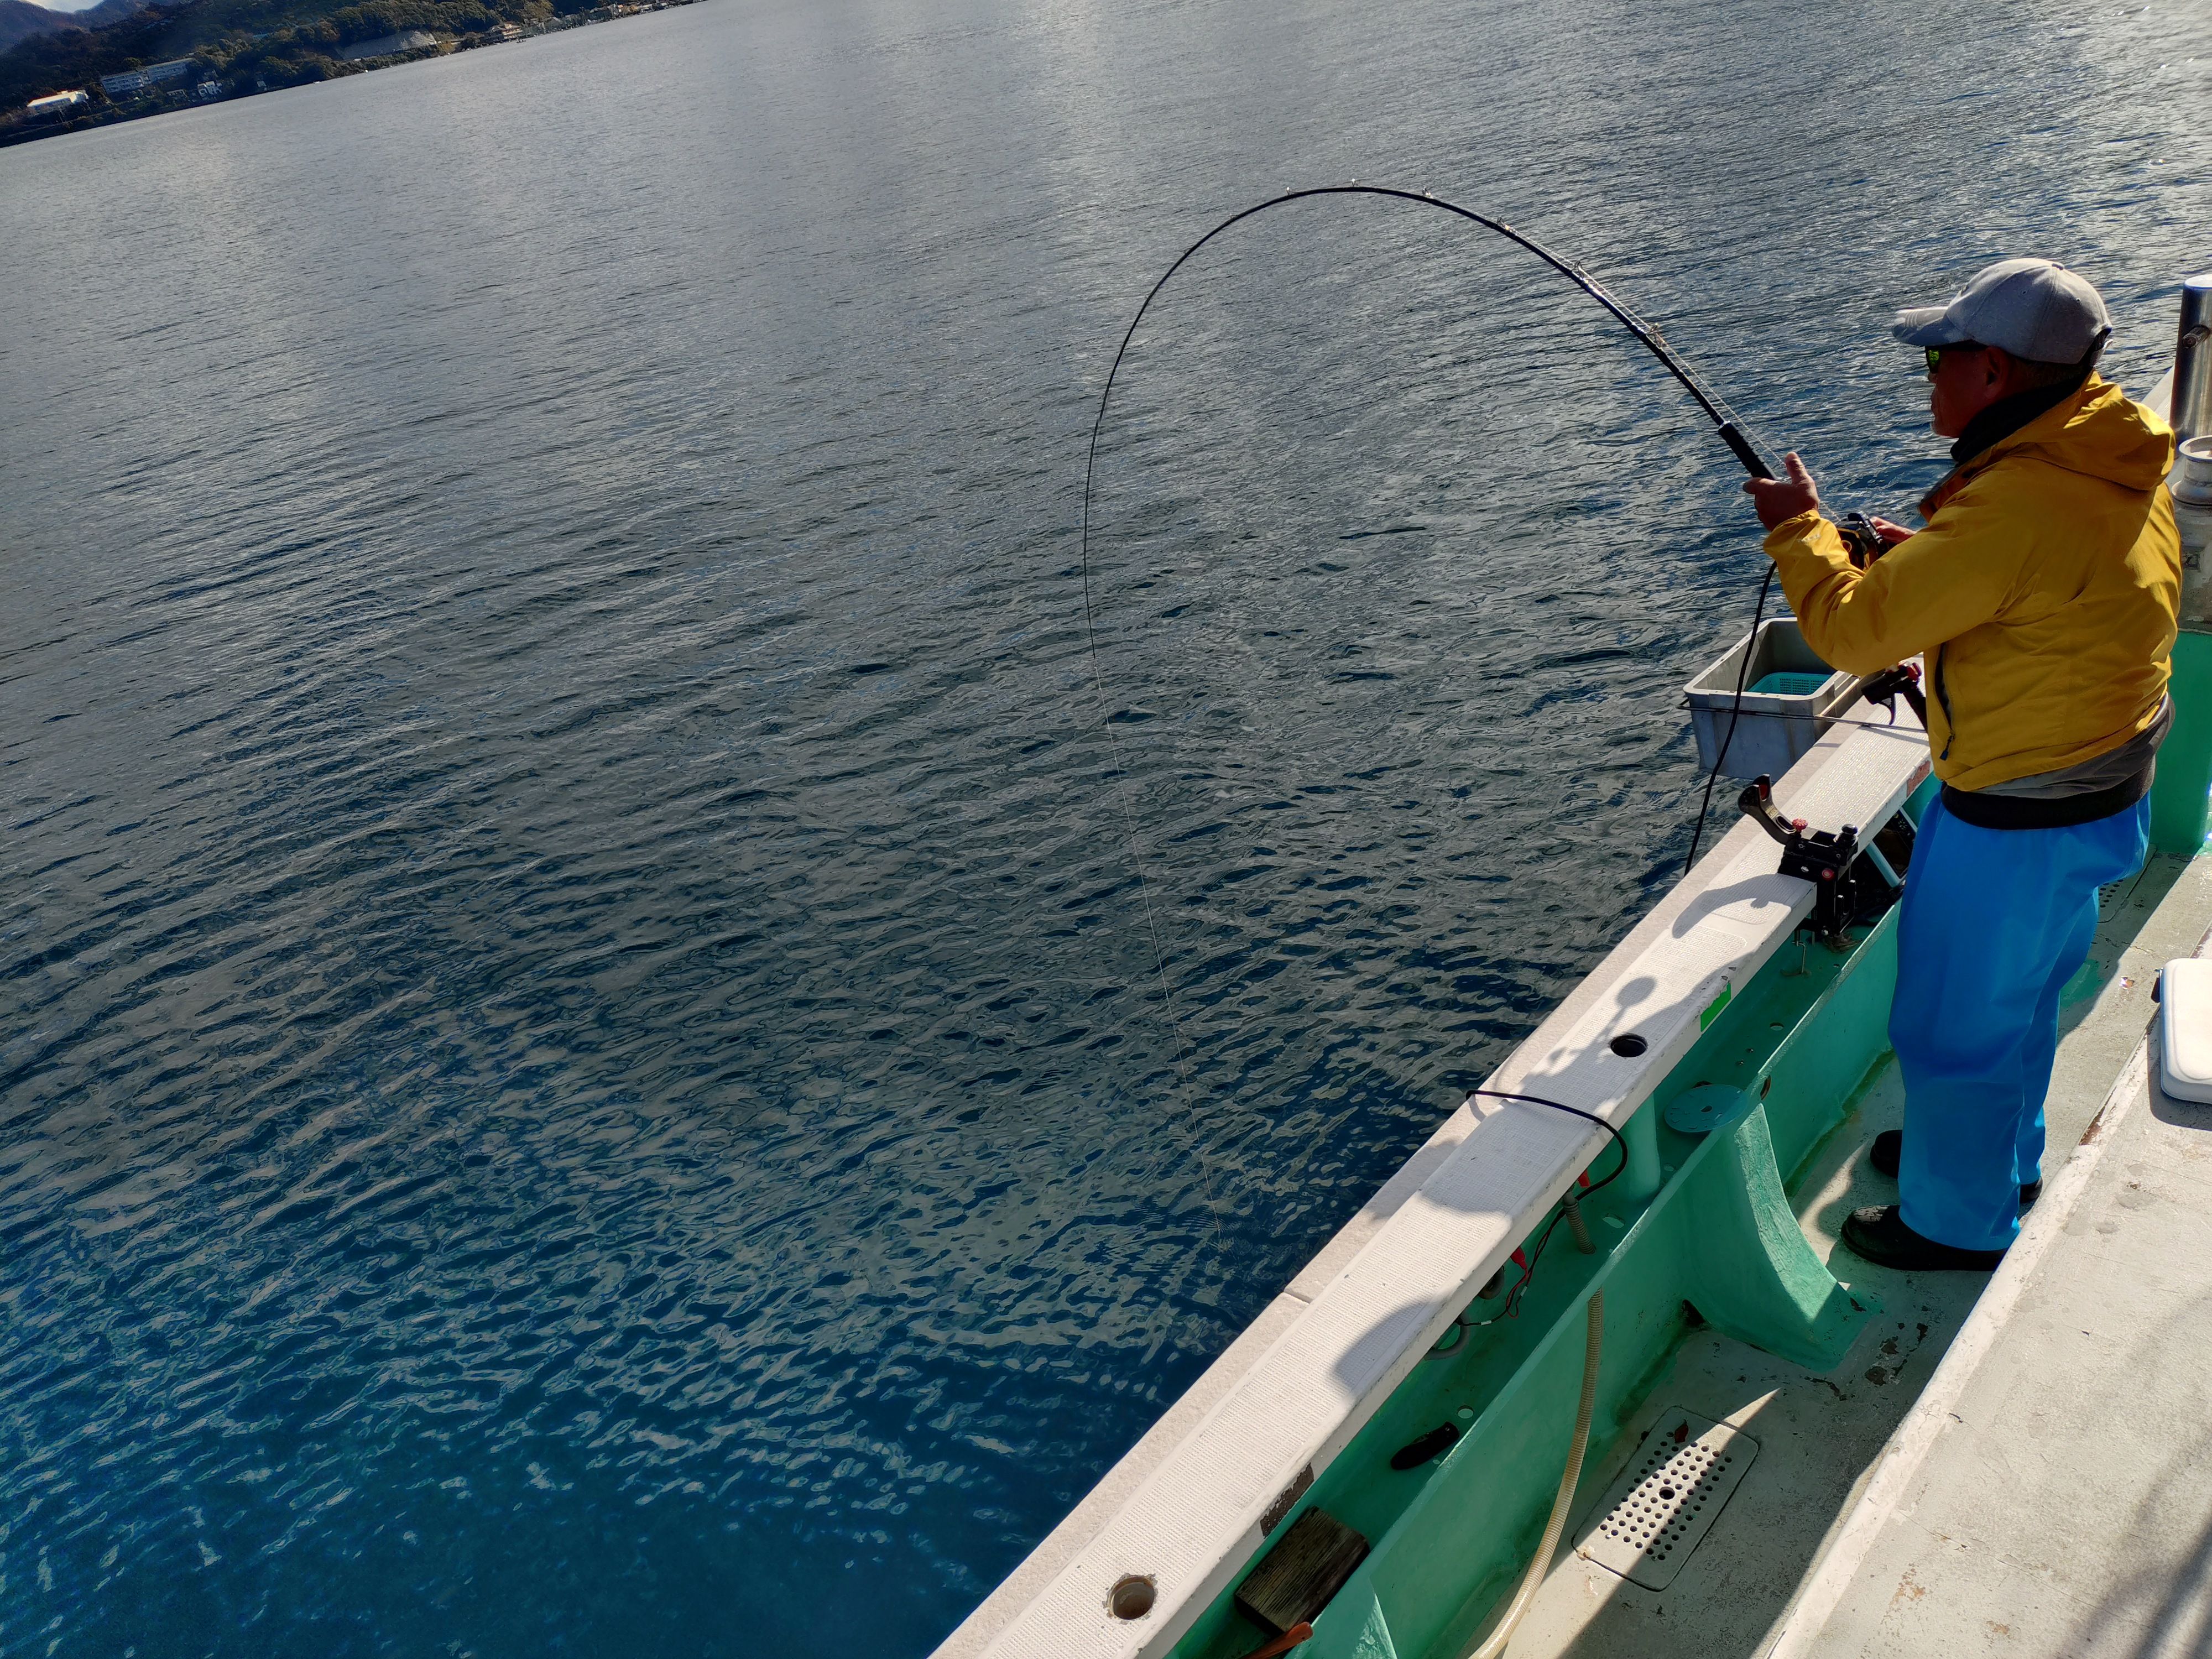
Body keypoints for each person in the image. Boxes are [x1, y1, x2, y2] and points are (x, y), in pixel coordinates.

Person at [1743, 257, 2181, 1271]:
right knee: (2020, 1003)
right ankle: (1994, 1160)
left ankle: (1958, 1223)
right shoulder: (2110, 453)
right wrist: (1929, 558)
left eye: (1939, 360)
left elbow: (1852, 633)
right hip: (2101, 796)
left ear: (1993, 371)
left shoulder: (2017, 504)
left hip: (2018, 824)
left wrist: (1797, 531)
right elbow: (2044, 581)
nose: (1930, 378)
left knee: (1953, 1030)